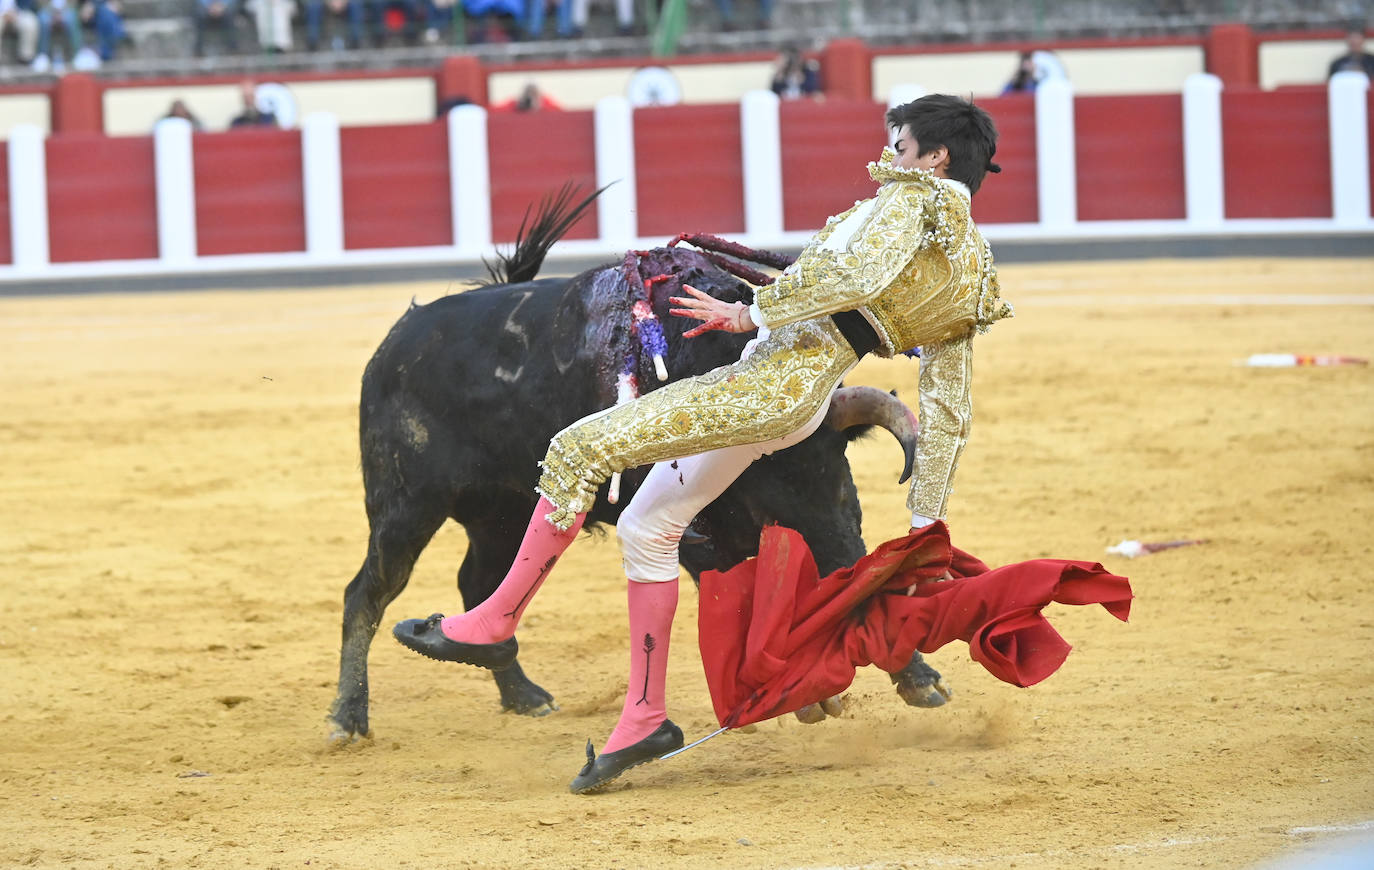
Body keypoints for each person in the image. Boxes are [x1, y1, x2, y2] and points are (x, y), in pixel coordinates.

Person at [393, 94, 1009, 794]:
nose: (887, 163)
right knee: (646, 528)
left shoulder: (912, 203)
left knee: (574, 451)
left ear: (936, 158)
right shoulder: (970, 264)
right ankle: (645, 717)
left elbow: (851, 279)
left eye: (899, 149)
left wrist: (748, 310)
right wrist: (926, 522)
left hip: (767, 386)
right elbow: (949, 404)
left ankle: (494, 619)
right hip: (793, 394)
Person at [0, 0, 40, 65]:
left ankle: (25, 59)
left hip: (18, 12)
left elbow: (28, 4)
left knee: (29, 22)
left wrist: (15, 12)